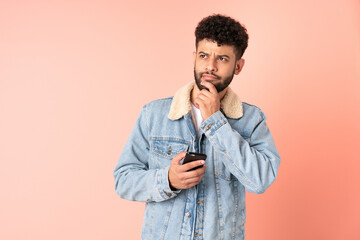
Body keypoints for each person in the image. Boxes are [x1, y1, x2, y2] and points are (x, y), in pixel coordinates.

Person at [113, 14, 281, 240]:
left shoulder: (251, 120)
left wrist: (216, 123)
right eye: (204, 56)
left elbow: (261, 180)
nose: (210, 66)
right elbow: (123, 180)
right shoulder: (153, 115)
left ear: (238, 66)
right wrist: (168, 180)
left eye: (222, 58)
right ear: (194, 57)